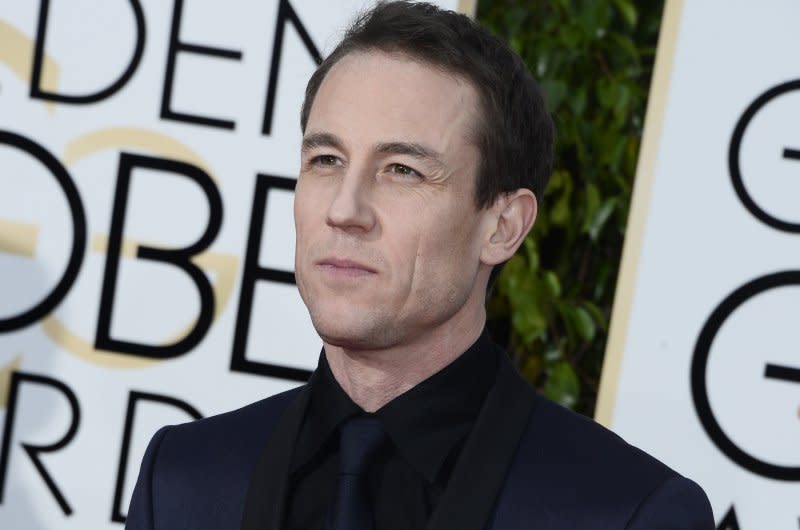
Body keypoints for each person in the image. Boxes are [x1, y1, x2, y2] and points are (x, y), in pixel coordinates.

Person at [125, 2, 714, 529]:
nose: (345, 209)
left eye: (402, 170)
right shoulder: (181, 480)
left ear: (502, 226)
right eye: (326, 159)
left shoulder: (628, 513)